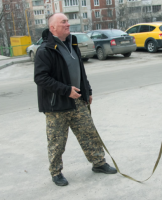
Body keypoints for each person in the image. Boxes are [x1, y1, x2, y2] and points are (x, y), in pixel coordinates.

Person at [34, 13, 117, 186]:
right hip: (56, 105)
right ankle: (56, 172)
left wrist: (88, 91)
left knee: (89, 133)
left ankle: (99, 163)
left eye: (67, 21)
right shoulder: (45, 50)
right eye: (63, 21)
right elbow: (40, 78)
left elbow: (80, 71)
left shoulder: (72, 44)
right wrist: (66, 90)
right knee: (57, 142)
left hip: (78, 100)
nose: (67, 24)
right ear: (53, 28)